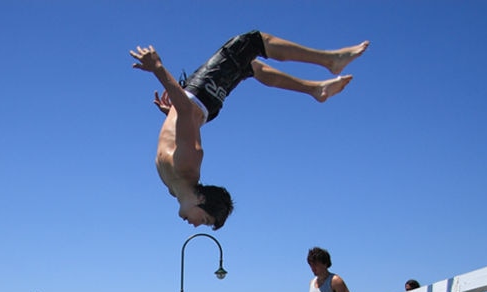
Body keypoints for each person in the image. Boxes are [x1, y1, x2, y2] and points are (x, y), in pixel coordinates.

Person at [130, 32, 368, 229]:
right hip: (201, 96)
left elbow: (180, 123)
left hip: (197, 105)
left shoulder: (174, 189)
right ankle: (329, 61)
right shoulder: (187, 166)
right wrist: (158, 68)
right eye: (203, 219)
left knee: (251, 66)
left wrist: (168, 116)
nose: (195, 225)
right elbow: (184, 110)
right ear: (201, 199)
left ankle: (316, 89)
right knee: (252, 43)